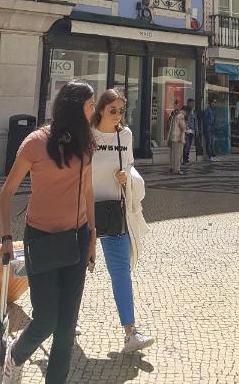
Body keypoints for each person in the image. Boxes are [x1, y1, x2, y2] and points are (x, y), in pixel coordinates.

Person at [0, 82, 96, 384]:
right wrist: (5, 237)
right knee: (46, 319)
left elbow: (89, 191)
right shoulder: (35, 142)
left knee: (67, 326)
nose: (94, 111)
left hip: (77, 238)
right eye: (90, 105)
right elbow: (7, 192)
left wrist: (92, 236)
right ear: (74, 107)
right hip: (40, 237)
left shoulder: (86, 143)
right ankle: (15, 355)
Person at [91, 89, 154, 354]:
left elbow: (128, 166)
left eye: (121, 111)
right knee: (74, 272)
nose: (117, 116)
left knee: (120, 272)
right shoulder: (88, 134)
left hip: (115, 211)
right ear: (101, 109)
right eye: (112, 110)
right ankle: (65, 323)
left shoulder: (124, 135)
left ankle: (130, 332)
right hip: (85, 210)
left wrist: (126, 178)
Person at [167, 103, 186, 175]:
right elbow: (182, 128)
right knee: (178, 154)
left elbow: (170, 127)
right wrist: (181, 138)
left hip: (172, 137)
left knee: (173, 154)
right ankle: (177, 169)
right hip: (178, 138)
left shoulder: (173, 116)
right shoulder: (181, 116)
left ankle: (172, 167)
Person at [183, 99, 199, 164]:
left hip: (192, 131)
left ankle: (186, 158)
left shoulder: (194, 112)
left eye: (193, 103)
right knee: (186, 145)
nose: (193, 105)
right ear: (188, 103)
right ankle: (185, 159)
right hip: (186, 131)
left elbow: (196, 122)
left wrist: (196, 131)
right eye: (192, 103)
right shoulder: (185, 111)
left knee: (189, 146)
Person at [203, 97, 218, 161]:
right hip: (208, 129)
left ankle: (213, 155)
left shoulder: (214, 110)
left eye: (215, 102)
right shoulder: (207, 110)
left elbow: (214, 119)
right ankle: (209, 156)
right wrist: (207, 127)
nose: (215, 103)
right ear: (211, 103)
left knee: (212, 143)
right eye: (214, 102)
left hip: (212, 128)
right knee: (209, 142)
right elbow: (205, 120)